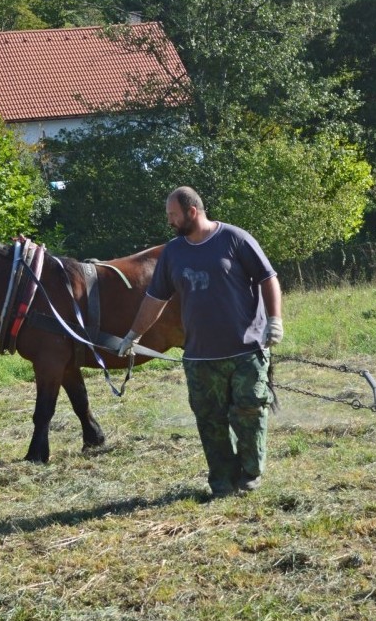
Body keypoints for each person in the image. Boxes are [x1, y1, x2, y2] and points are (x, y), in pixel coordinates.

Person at [117, 187, 283, 500]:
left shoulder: (235, 239)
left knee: (249, 415)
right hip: (201, 357)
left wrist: (274, 320)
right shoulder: (173, 252)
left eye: (173, 215)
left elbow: (267, 278)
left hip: (246, 350)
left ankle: (250, 473)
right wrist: (133, 334)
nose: (169, 222)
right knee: (210, 422)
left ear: (191, 212)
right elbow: (155, 299)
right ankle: (222, 482)